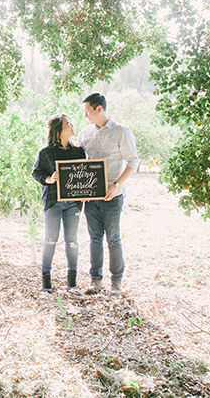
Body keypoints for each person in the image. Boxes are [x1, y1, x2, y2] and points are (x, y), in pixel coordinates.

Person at [78, 93, 140, 297]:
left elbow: (133, 161)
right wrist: (79, 188)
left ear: (99, 109)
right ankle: (95, 280)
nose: (86, 116)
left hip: (112, 196)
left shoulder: (121, 131)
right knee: (94, 238)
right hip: (90, 197)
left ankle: (116, 282)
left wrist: (117, 185)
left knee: (113, 239)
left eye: (88, 111)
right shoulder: (85, 133)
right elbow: (79, 164)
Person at [31, 114, 86, 293]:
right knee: (51, 240)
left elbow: (84, 175)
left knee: (72, 241)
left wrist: (85, 192)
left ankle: (72, 282)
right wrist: (49, 179)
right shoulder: (45, 152)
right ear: (58, 130)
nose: (71, 125)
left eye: (70, 121)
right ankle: (46, 281)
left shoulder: (78, 151)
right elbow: (36, 173)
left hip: (74, 204)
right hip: (54, 202)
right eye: (67, 123)